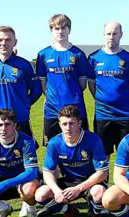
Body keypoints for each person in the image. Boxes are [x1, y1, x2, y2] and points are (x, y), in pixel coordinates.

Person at [34, 105, 109, 217]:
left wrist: (78, 189)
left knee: (99, 192)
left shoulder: (93, 140)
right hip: (69, 181)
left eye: (71, 123)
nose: (68, 128)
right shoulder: (54, 143)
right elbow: (47, 171)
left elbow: (102, 173)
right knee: (41, 194)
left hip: (90, 182)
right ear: (59, 124)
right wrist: (57, 191)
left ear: (79, 123)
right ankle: (69, 212)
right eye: (64, 124)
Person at [0, 26, 41, 139]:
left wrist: (24, 104)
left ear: (15, 42)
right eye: (0, 40)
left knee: (25, 155)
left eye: (8, 39)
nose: (3, 43)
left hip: (20, 119)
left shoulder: (25, 65)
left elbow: (36, 90)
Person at [88, 21, 129, 161]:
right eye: (109, 34)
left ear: (121, 35)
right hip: (103, 115)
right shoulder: (94, 58)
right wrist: (102, 99)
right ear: (104, 35)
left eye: (115, 33)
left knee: (128, 155)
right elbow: (91, 86)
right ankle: (102, 183)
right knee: (103, 156)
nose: (111, 37)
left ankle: (127, 183)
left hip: (125, 115)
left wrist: (121, 99)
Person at [36, 14, 91, 146]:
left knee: (80, 145)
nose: (60, 32)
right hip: (52, 109)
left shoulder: (78, 54)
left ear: (69, 30)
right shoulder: (43, 54)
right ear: (51, 31)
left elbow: (82, 83)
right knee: (52, 147)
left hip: (75, 108)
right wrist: (52, 96)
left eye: (63, 28)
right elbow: (43, 83)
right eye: (56, 29)